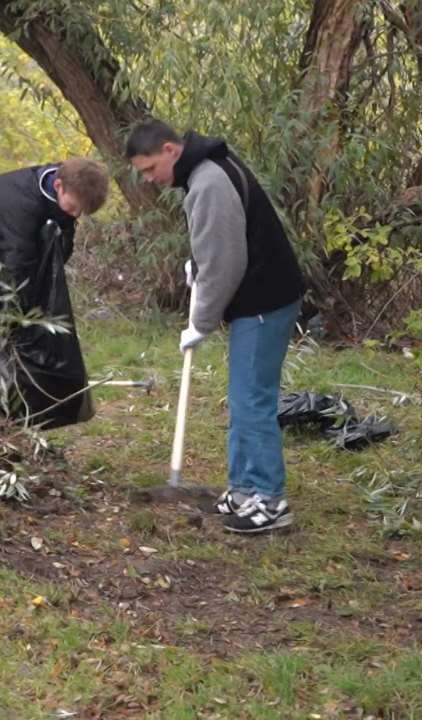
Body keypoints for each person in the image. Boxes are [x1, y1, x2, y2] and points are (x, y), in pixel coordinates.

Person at [126, 119, 304, 534]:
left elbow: (226, 264)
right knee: (242, 396)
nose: (151, 180)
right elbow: (222, 240)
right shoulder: (204, 169)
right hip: (259, 294)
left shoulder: (207, 181)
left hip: (264, 300)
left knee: (251, 399)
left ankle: (270, 500)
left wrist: (201, 322)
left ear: (170, 150)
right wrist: (198, 264)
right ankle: (243, 489)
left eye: (150, 169)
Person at [0, 158, 110, 419]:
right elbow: (21, 261)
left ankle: (4, 421)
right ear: (58, 185)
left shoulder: (67, 195)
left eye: (81, 213)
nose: (75, 215)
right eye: (74, 207)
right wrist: (20, 310)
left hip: (6, 264)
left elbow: (55, 253)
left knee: (17, 345)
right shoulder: (21, 200)